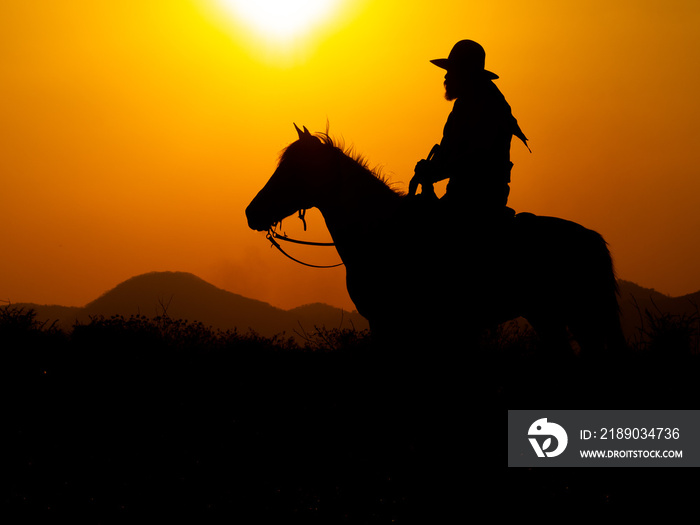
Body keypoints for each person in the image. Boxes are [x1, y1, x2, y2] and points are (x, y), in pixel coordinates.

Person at [410, 40, 529, 225]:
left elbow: (474, 159)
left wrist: (433, 171)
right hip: (459, 196)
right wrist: (430, 168)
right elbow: (448, 151)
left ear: (465, 74)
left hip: (478, 203)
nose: (446, 77)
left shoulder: (488, 105)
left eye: (451, 71)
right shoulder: (466, 104)